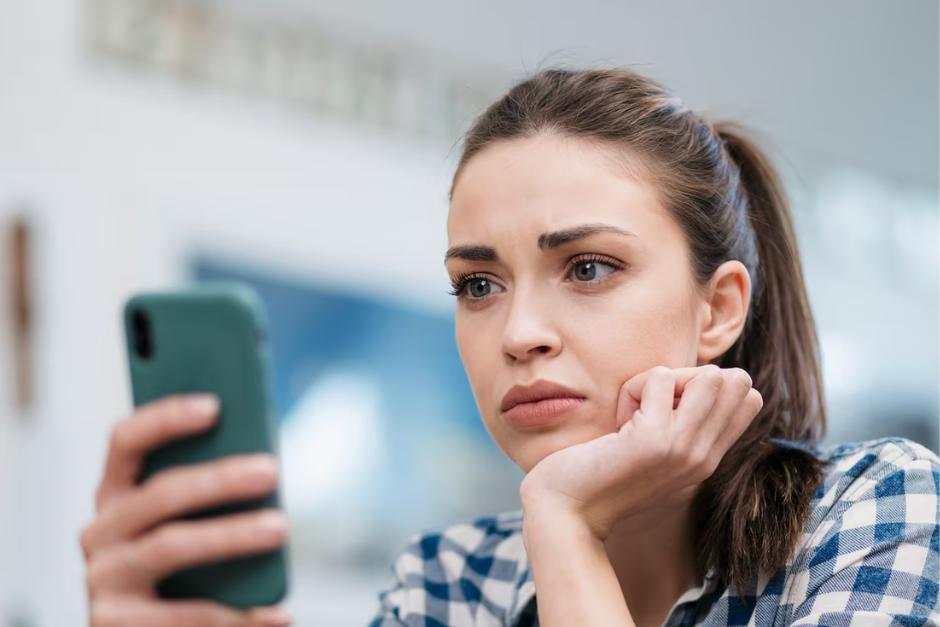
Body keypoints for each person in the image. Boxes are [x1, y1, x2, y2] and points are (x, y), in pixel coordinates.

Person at [79, 68, 940, 626]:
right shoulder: (451, 585)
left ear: (718, 310)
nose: (519, 333)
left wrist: (565, 527)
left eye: (590, 266)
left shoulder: (871, 515)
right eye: (478, 285)